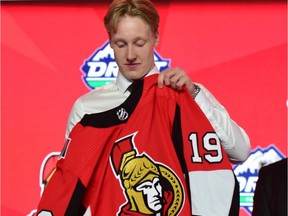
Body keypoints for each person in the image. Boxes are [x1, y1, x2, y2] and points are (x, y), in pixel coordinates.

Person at [36, 0, 250, 215]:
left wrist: (193, 94)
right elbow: (75, 184)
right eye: (121, 44)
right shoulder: (87, 108)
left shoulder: (184, 95)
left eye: (139, 43)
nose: (130, 55)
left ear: (155, 38)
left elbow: (240, 152)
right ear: (110, 41)